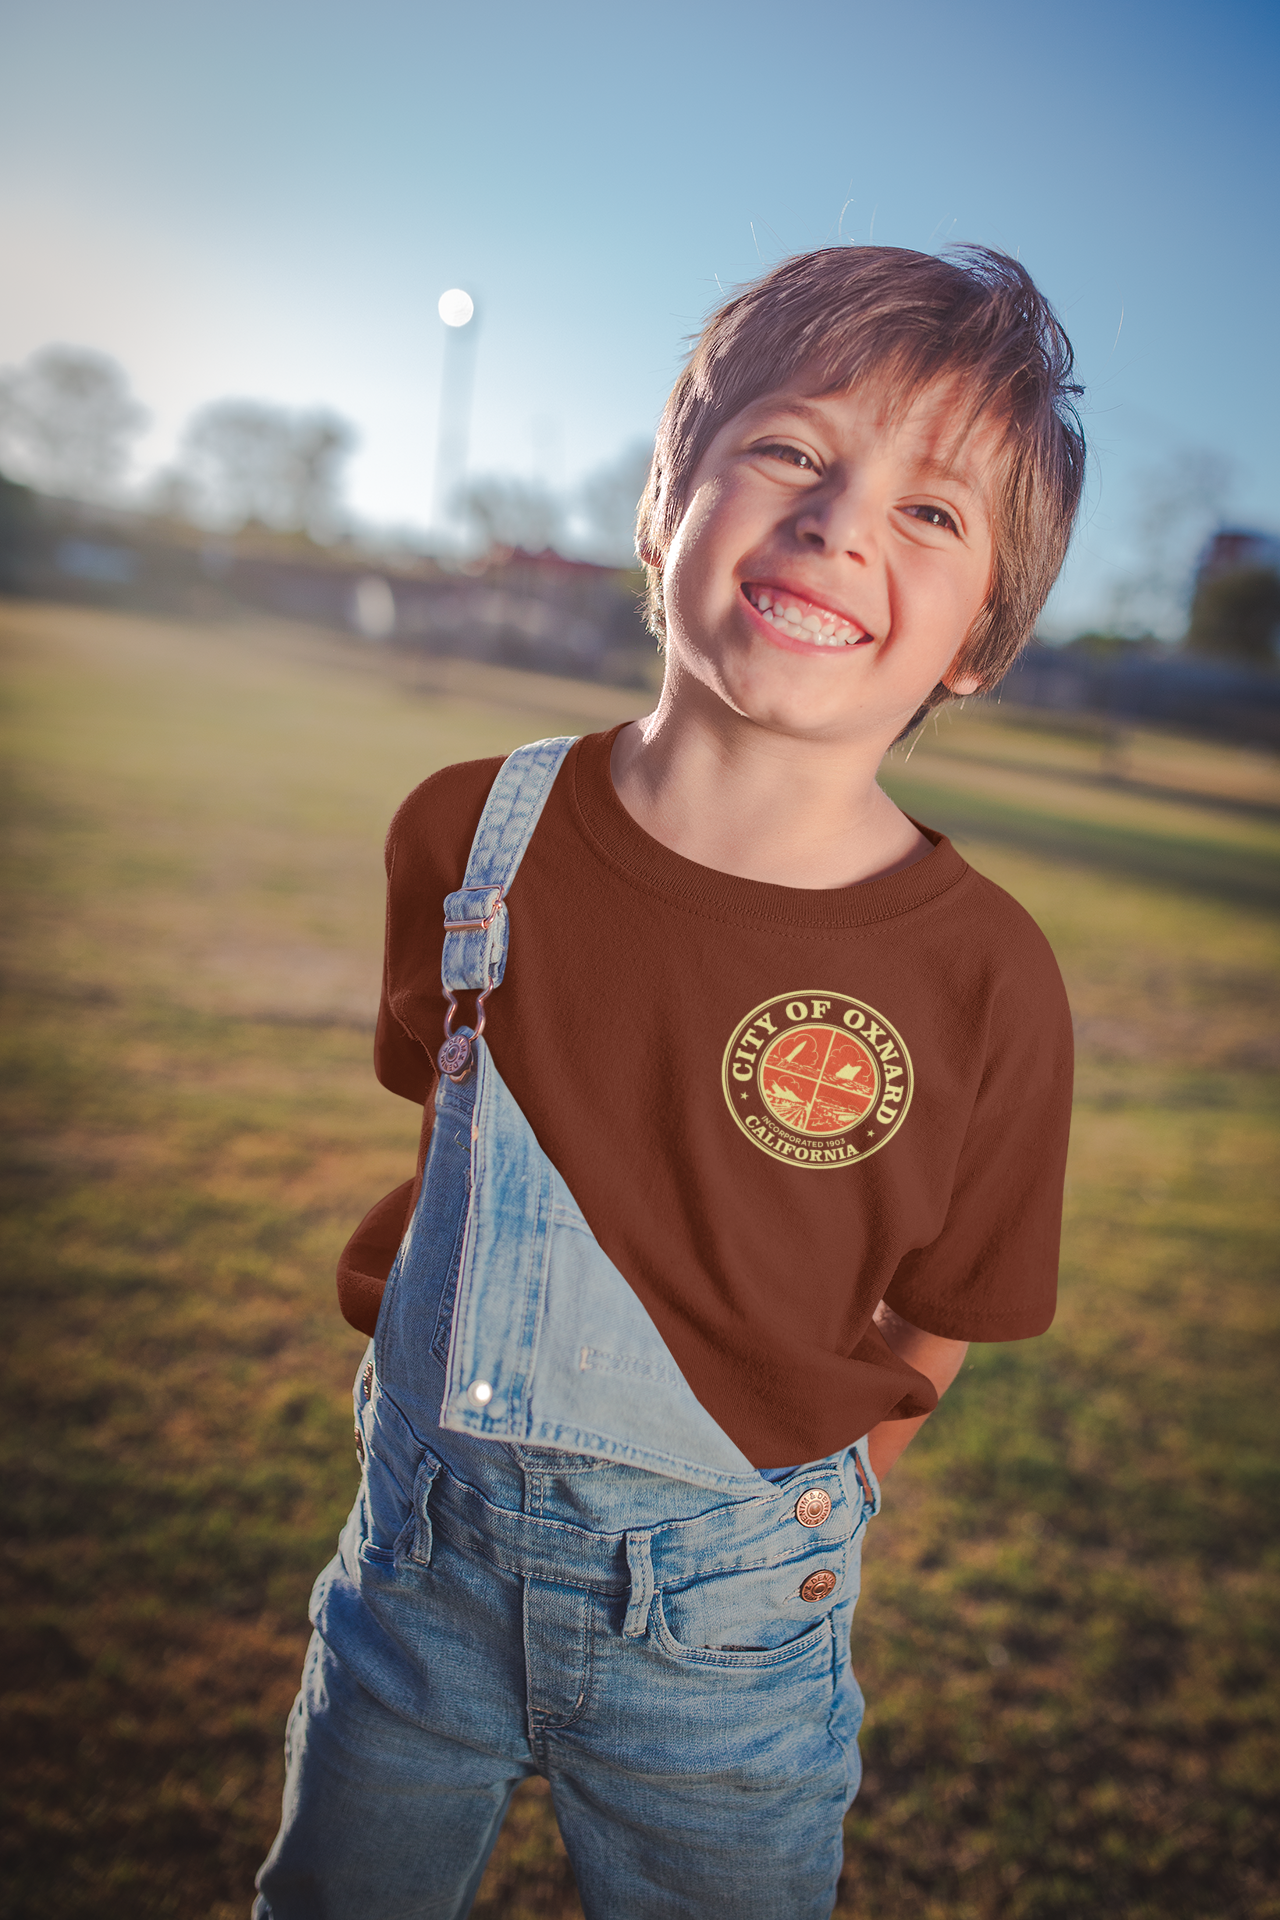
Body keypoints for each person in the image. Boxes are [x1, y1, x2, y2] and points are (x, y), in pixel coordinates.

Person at [254, 244, 1084, 1920]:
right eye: (792, 450)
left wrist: (784, 1525)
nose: (843, 522)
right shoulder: (464, 830)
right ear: (666, 501)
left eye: (933, 512)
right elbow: (463, 1122)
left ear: (981, 637)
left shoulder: (990, 976)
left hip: (724, 1641)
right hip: (411, 1580)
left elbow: (948, 1308)